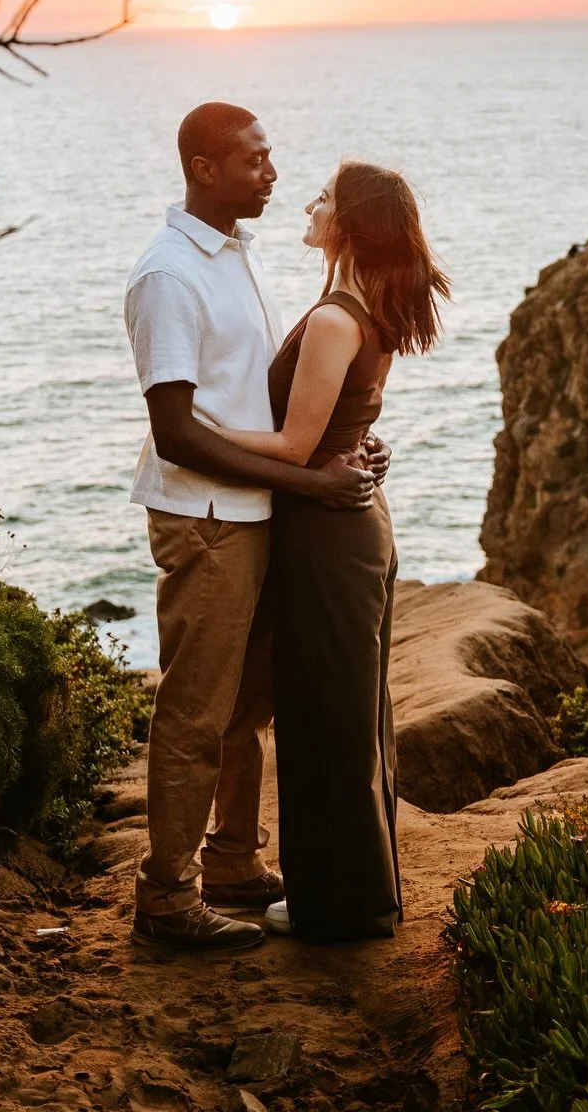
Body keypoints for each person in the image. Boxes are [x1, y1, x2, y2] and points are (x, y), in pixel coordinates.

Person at [124, 104, 378, 953]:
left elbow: (264, 399)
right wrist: (312, 479)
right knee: (196, 711)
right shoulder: (169, 275)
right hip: (207, 519)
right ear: (205, 169)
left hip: (259, 509)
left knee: (245, 707)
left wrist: (343, 443)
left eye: (271, 158)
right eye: (255, 160)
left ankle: (232, 860)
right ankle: (167, 898)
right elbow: (176, 432)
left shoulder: (240, 253)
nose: (273, 173)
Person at [213, 161, 450, 943]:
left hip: (328, 535)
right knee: (349, 714)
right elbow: (345, 425)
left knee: (328, 720)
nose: (309, 205)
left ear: (347, 224)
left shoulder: (335, 319)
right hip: (352, 525)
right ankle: (355, 892)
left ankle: (338, 906)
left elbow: (294, 445)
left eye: (324, 198)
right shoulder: (364, 306)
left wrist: (193, 429)